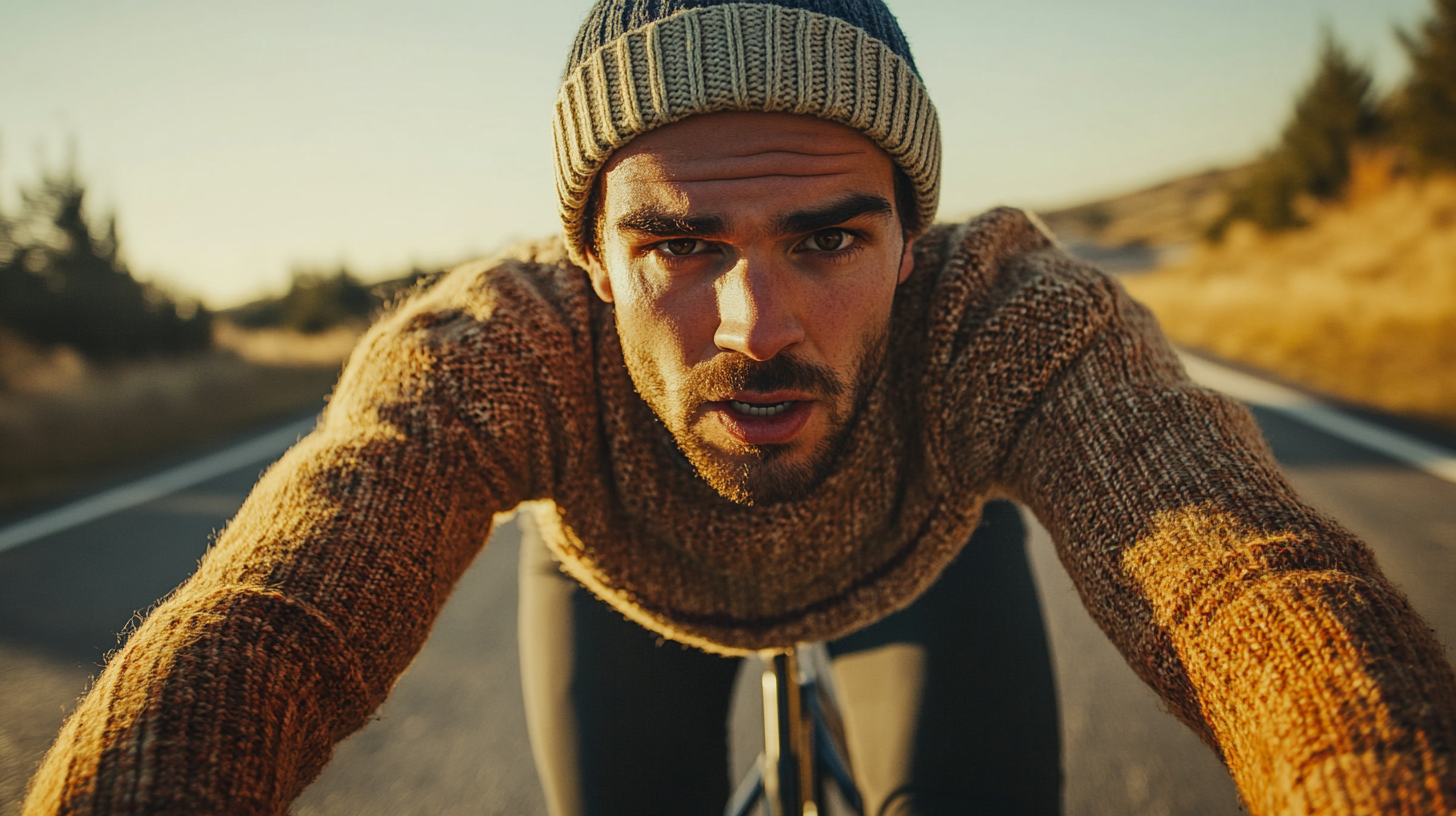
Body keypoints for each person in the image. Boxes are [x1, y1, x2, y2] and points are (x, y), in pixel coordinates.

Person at [22, 1, 1456, 814]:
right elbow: (272, 622)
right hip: (623, 592)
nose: (754, 329)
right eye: (680, 247)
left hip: (928, 571)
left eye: (829, 239)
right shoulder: (496, 349)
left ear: (915, 236)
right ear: (588, 255)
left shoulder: (1004, 319)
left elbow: (1246, 583)